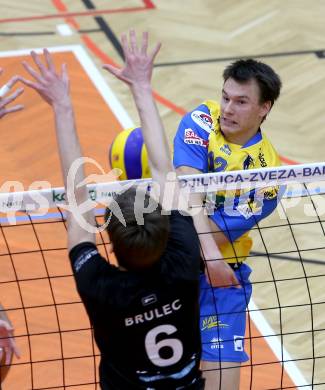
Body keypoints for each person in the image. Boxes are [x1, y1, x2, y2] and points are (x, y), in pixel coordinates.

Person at [19, 31, 224, 389]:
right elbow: (163, 170)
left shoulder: (103, 287)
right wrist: (142, 86)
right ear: (164, 230)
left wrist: (62, 106)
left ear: (110, 241)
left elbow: (77, 198)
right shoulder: (183, 260)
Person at [173, 59, 283, 389]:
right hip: (172, 269)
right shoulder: (201, 119)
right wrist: (212, 255)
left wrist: (212, 256)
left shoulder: (268, 177)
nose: (227, 109)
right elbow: (187, 191)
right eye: (225, 97)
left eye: (241, 101)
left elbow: (194, 228)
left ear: (264, 108)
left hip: (222, 281)